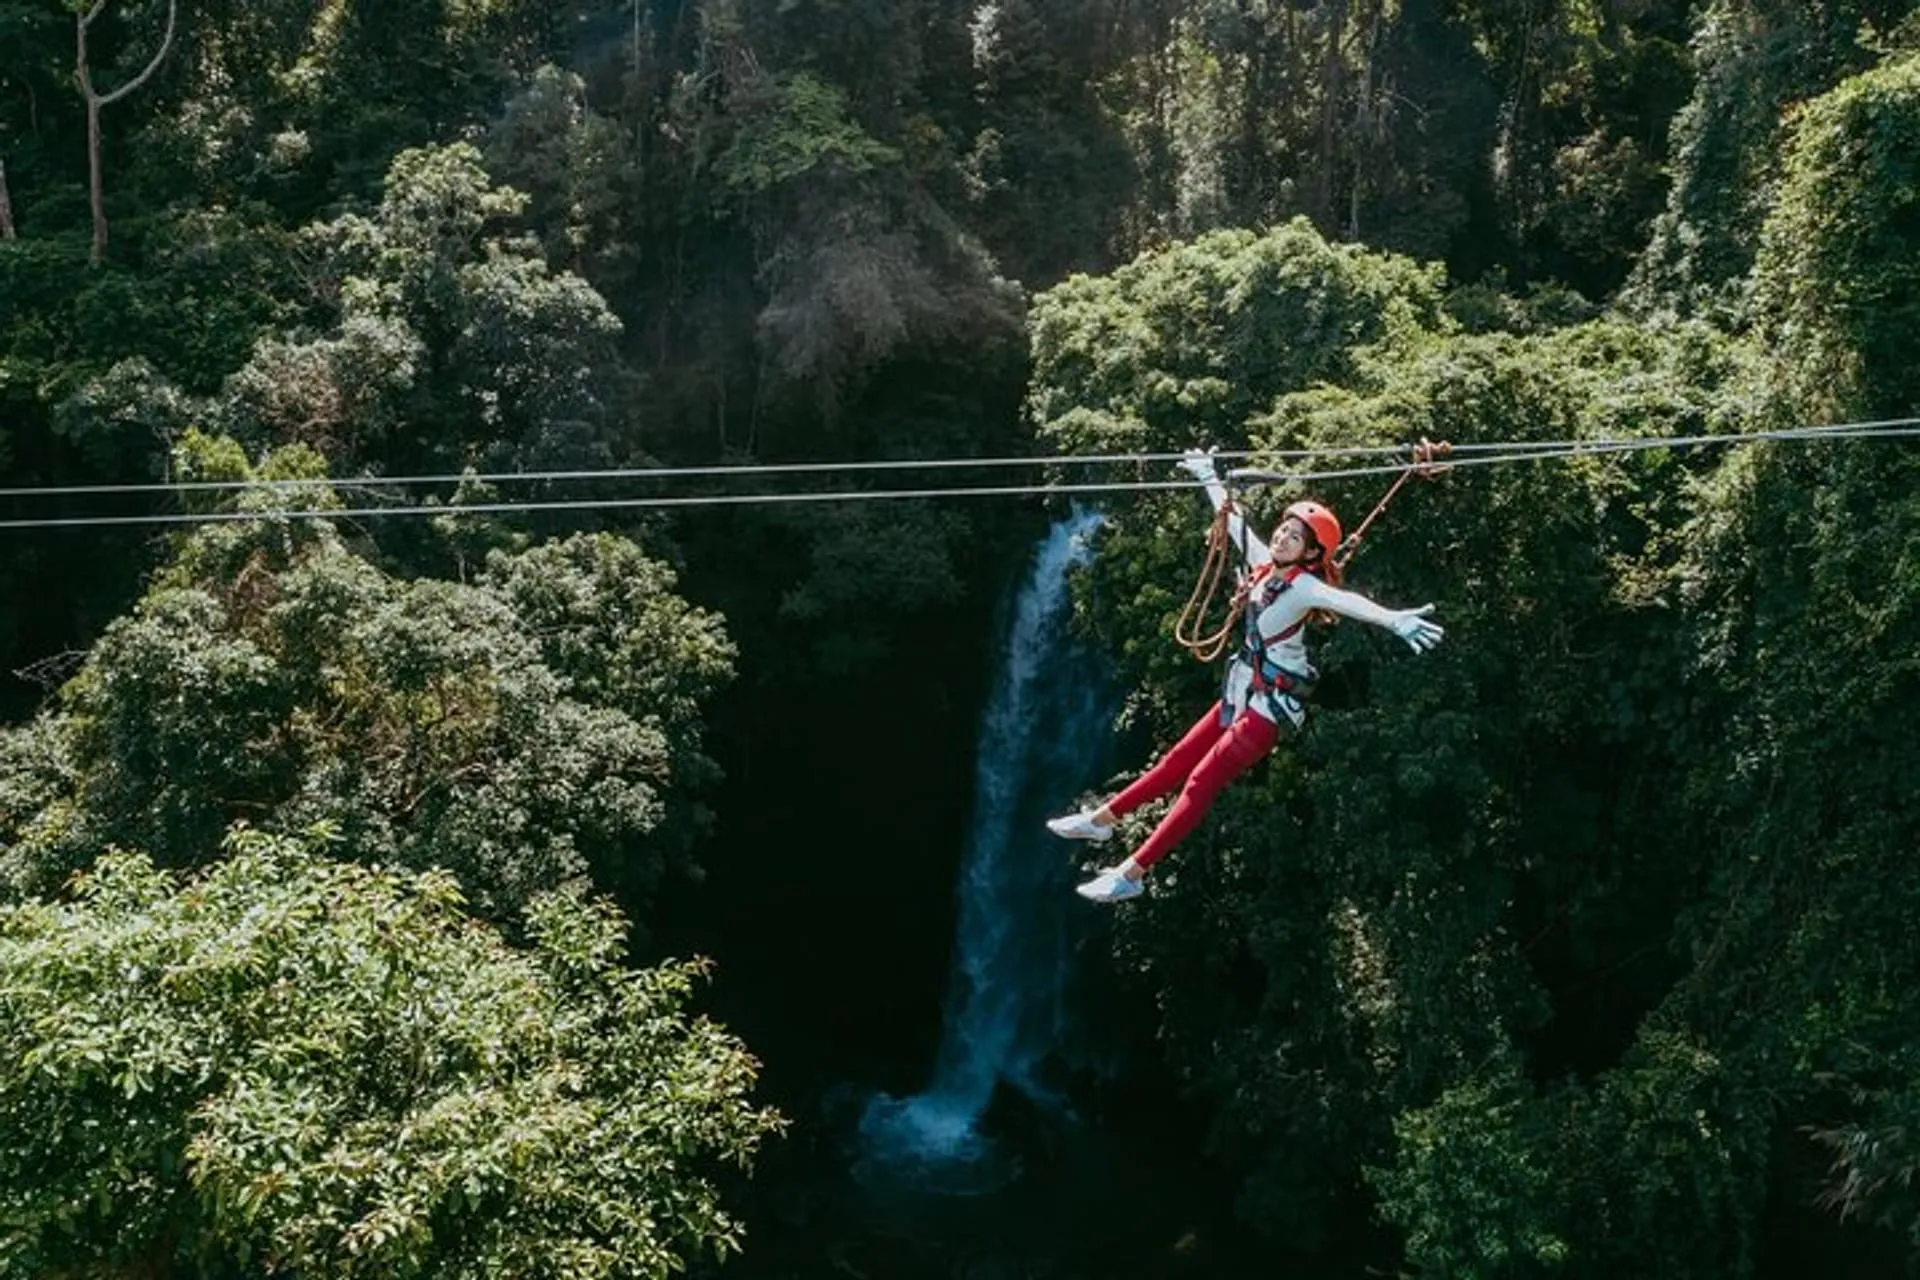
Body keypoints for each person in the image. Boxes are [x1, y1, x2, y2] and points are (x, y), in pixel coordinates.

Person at [1049, 450, 1445, 903]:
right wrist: (1207, 475)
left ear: (1311, 553)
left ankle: (1131, 874)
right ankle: (1101, 821)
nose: (1283, 537)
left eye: (1296, 537)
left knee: (1199, 782)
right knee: (1176, 760)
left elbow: (1348, 602)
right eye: (1284, 529)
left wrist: (1394, 620)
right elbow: (1232, 518)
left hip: (1271, 709)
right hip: (1245, 686)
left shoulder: (1304, 586)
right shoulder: (1263, 567)